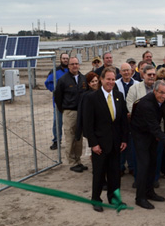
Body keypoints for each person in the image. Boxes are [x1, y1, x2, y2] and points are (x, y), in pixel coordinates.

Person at [130, 80, 165, 209]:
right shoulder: (146, 104)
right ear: (154, 91)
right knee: (144, 165)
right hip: (141, 135)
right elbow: (155, 128)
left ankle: (150, 192)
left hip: (152, 136)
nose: (163, 96)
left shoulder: (161, 102)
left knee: (153, 163)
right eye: (161, 93)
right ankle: (140, 197)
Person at [83, 67, 129, 212]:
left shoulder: (119, 96)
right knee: (99, 173)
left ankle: (114, 198)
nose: (111, 82)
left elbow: (122, 121)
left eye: (113, 79)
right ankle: (96, 199)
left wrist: (124, 139)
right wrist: (93, 144)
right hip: (100, 144)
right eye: (108, 79)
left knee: (115, 173)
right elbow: (88, 124)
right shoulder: (92, 98)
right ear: (101, 80)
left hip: (116, 143)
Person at [54, 57, 88, 173]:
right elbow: (58, 97)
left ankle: (78, 160)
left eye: (76, 64)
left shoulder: (83, 78)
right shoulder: (63, 80)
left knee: (79, 138)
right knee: (70, 137)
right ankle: (72, 162)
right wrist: (63, 109)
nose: (75, 66)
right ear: (68, 66)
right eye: (72, 64)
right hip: (69, 112)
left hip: (81, 112)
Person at [115, 63, 139, 177]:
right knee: (121, 141)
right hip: (120, 118)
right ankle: (120, 166)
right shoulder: (115, 84)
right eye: (123, 70)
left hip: (134, 118)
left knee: (132, 142)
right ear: (120, 72)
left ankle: (132, 166)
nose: (126, 73)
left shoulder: (138, 84)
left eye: (128, 70)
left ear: (131, 71)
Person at [45, 52, 69, 150]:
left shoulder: (71, 70)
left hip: (70, 101)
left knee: (71, 122)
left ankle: (72, 141)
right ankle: (56, 140)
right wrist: (55, 89)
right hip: (58, 102)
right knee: (57, 122)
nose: (65, 60)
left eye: (67, 58)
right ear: (60, 59)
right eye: (63, 58)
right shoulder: (54, 71)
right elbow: (47, 83)